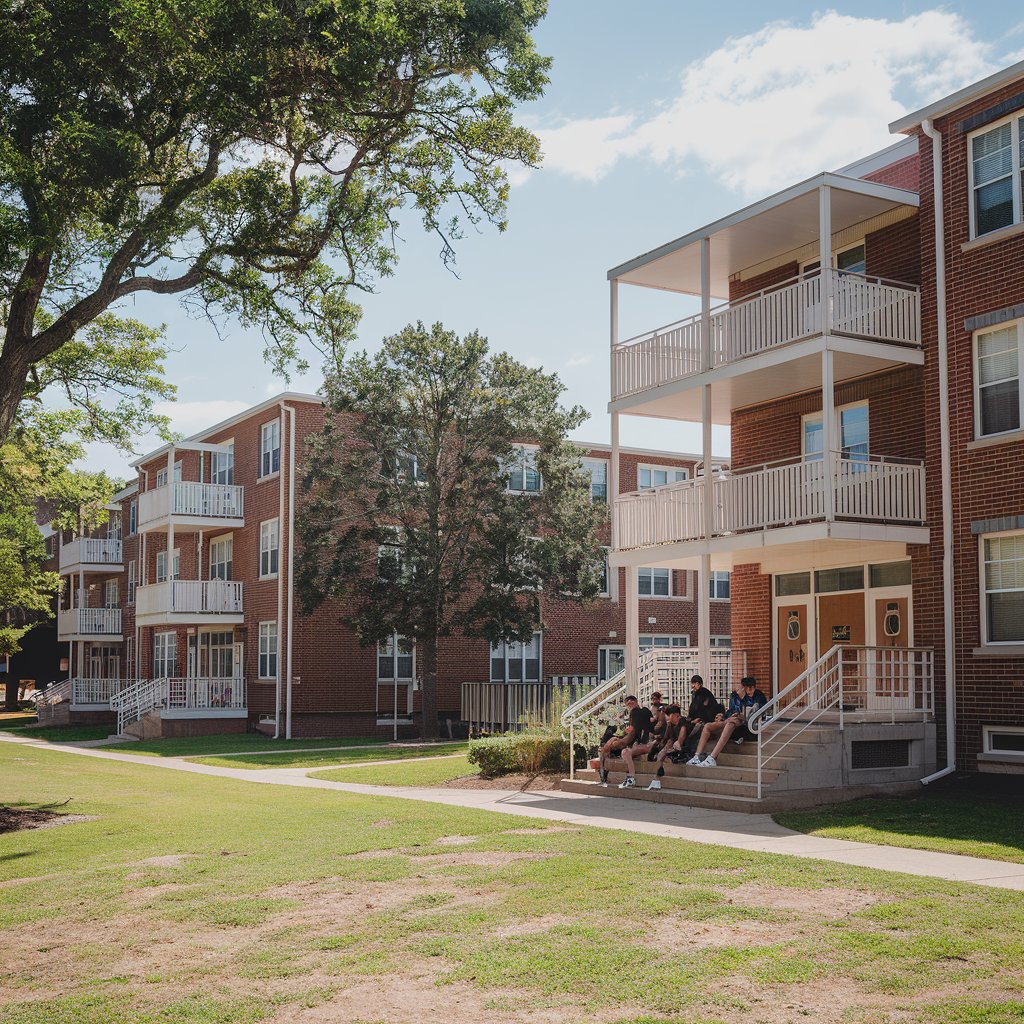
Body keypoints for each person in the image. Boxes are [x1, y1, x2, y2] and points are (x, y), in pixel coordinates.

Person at [689, 676, 767, 768]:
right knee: (708, 726)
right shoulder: (734, 695)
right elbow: (731, 710)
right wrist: (726, 716)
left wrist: (742, 707)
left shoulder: (759, 696)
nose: (751, 690)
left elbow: (760, 713)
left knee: (731, 722)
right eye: (749, 687)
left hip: (748, 725)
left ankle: (712, 757)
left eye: (753, 687)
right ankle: (697, 756)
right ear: (744, 687)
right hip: (733, 720)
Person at [598, 695, 653, 786]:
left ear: (636, 702)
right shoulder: (643, 711)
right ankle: (605, 776)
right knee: (611, 743)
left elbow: (631, 736)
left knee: (622, 750)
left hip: (640, 743)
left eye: (632, 703)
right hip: (638, 742)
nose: (630, 705)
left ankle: (608, 777)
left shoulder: (636, 712)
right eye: (628, 704)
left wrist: (618, 741)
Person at [646, 704, 685, 790]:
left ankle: (657, 779)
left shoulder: (682, 721)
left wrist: (678, 742)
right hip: (675, 748)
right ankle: (657, 778)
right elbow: (668, 738)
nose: (667, 718)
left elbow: (681, 735)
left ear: (676, 715)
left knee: (662, 756)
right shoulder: (671, 725)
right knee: (660, 755)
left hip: (684, 748)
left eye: (669, 716)